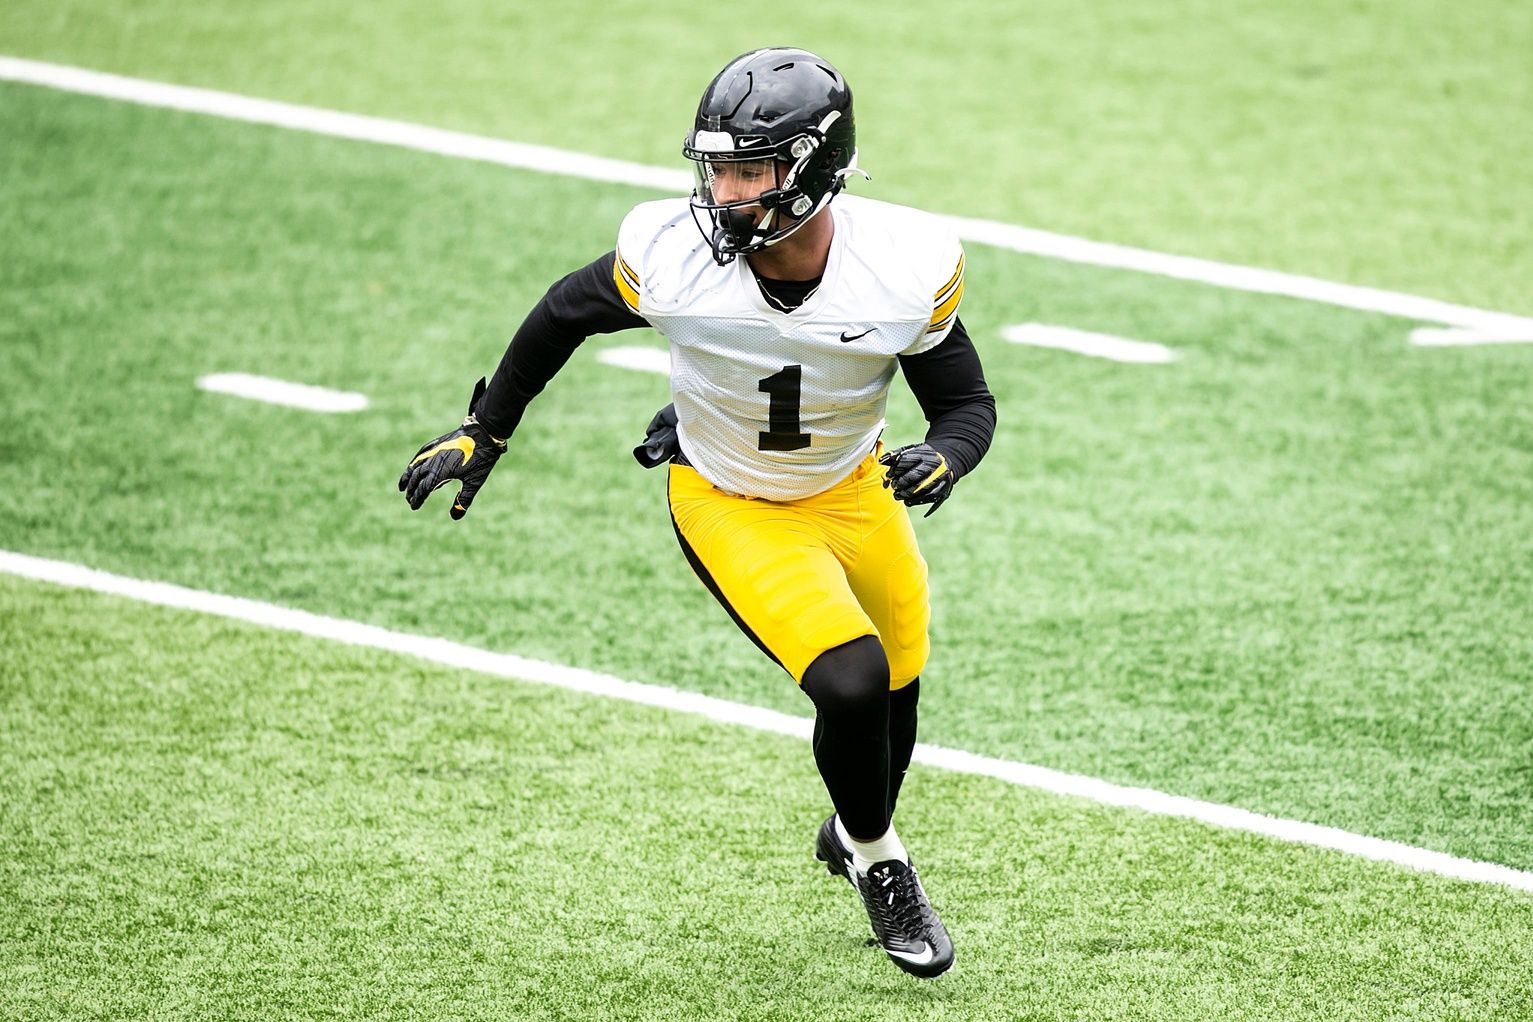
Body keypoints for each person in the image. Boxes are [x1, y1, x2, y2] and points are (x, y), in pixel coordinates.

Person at [399, 47, 996, 979]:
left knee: (896, 692)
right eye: (715, 168)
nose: (722, 193)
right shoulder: (672, 257)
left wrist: (947, 457)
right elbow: (562, 312)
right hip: (728, 498)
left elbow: (967, 403)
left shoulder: (900, 267)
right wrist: (488, 429)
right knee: (849, 680)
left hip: (852, 490)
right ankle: (885, 866)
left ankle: (850, 833)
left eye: (749, 170)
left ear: (814, 168)